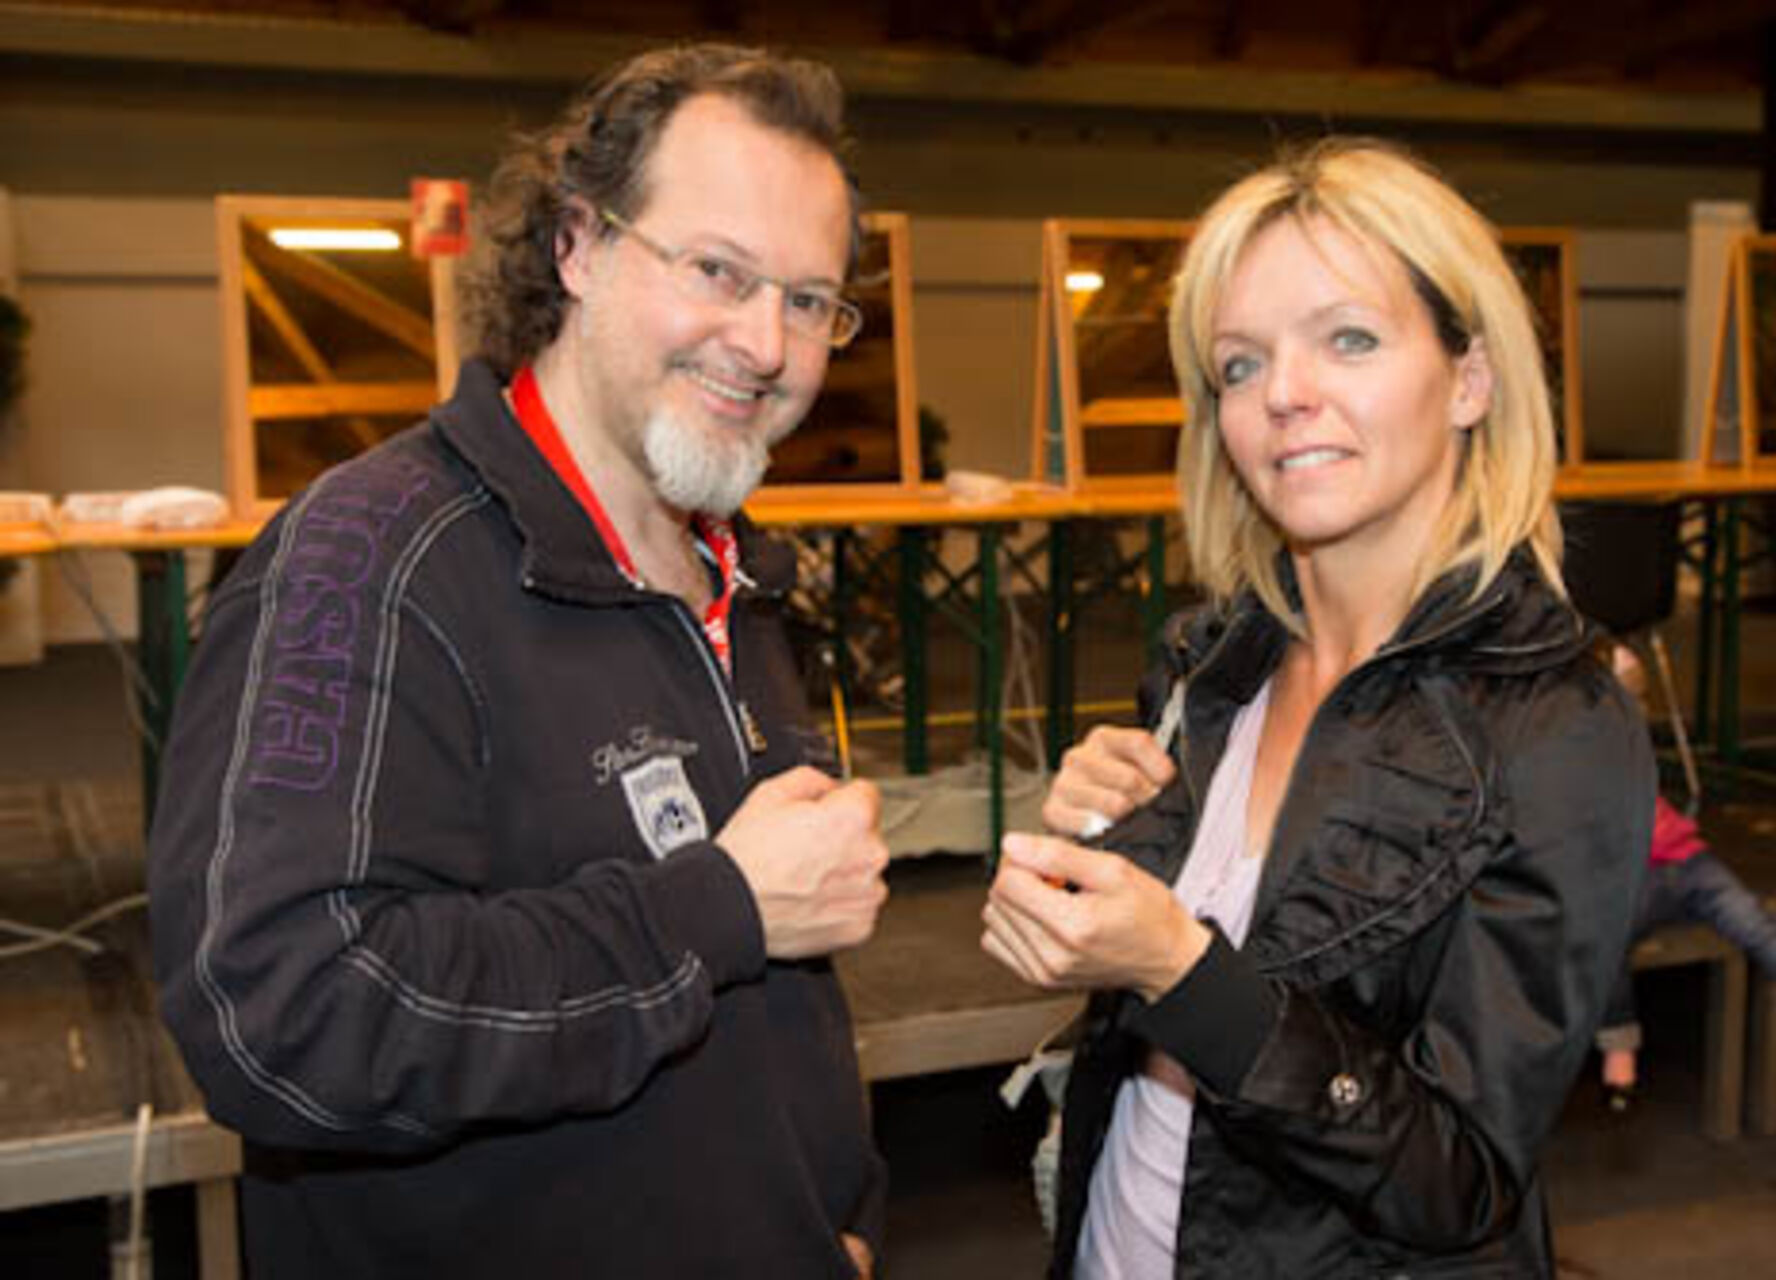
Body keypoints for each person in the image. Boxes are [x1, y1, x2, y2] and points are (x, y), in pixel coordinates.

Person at [148, 44, 889, 1279]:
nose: (767, 343)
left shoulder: (733, 571)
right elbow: (282, 1013)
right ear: (579, 245)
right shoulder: (369, 563)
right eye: (718, 270)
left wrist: (835, 1220)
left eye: (809, 300)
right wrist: (717, 905)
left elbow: (760, 1012)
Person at [981, 138, 1655, 1278]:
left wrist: (1180, 971)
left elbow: (1460, 1180)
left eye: (1348, 339)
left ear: (1471, 379)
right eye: (1241, 365)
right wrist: (1097, 857)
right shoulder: (1208, 665)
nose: (1285, 394)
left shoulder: (1555, 722)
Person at [1594, 642, 1776, 1112]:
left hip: (1688, 863)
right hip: (1634, 879)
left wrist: (1613, 665)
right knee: (1605, 942)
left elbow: (1627, 678)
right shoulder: (1575, 750)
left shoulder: (1625, 732)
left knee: (1756, 923)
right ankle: (1619, 1047)